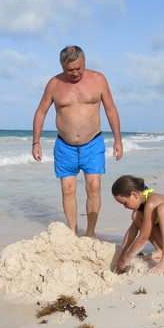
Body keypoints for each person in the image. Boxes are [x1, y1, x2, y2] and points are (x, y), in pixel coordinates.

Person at [32, 45, 123, 237]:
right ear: (62, 66)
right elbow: (41, 112)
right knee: (67, 189)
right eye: (69, 70)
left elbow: (110, 110)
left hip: (93, 143)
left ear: (84, 62)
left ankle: (90, 233)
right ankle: (73, 232)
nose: (75, 73)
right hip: (65, 146)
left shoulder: (99, 80)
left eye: (78, 68)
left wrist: (118, 140)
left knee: (94, 186)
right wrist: (36, 142)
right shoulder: (54, 84)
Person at [112, 175, 164, 274]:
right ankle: (160, 250)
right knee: (136, 216)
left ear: (134, 194)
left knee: (163, 208)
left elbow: (143, 237)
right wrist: (122, 253)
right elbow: (132, 231)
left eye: (125, 203)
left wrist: (126, 259)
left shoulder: (152, 202)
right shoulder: (142, 204)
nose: (125, 207)